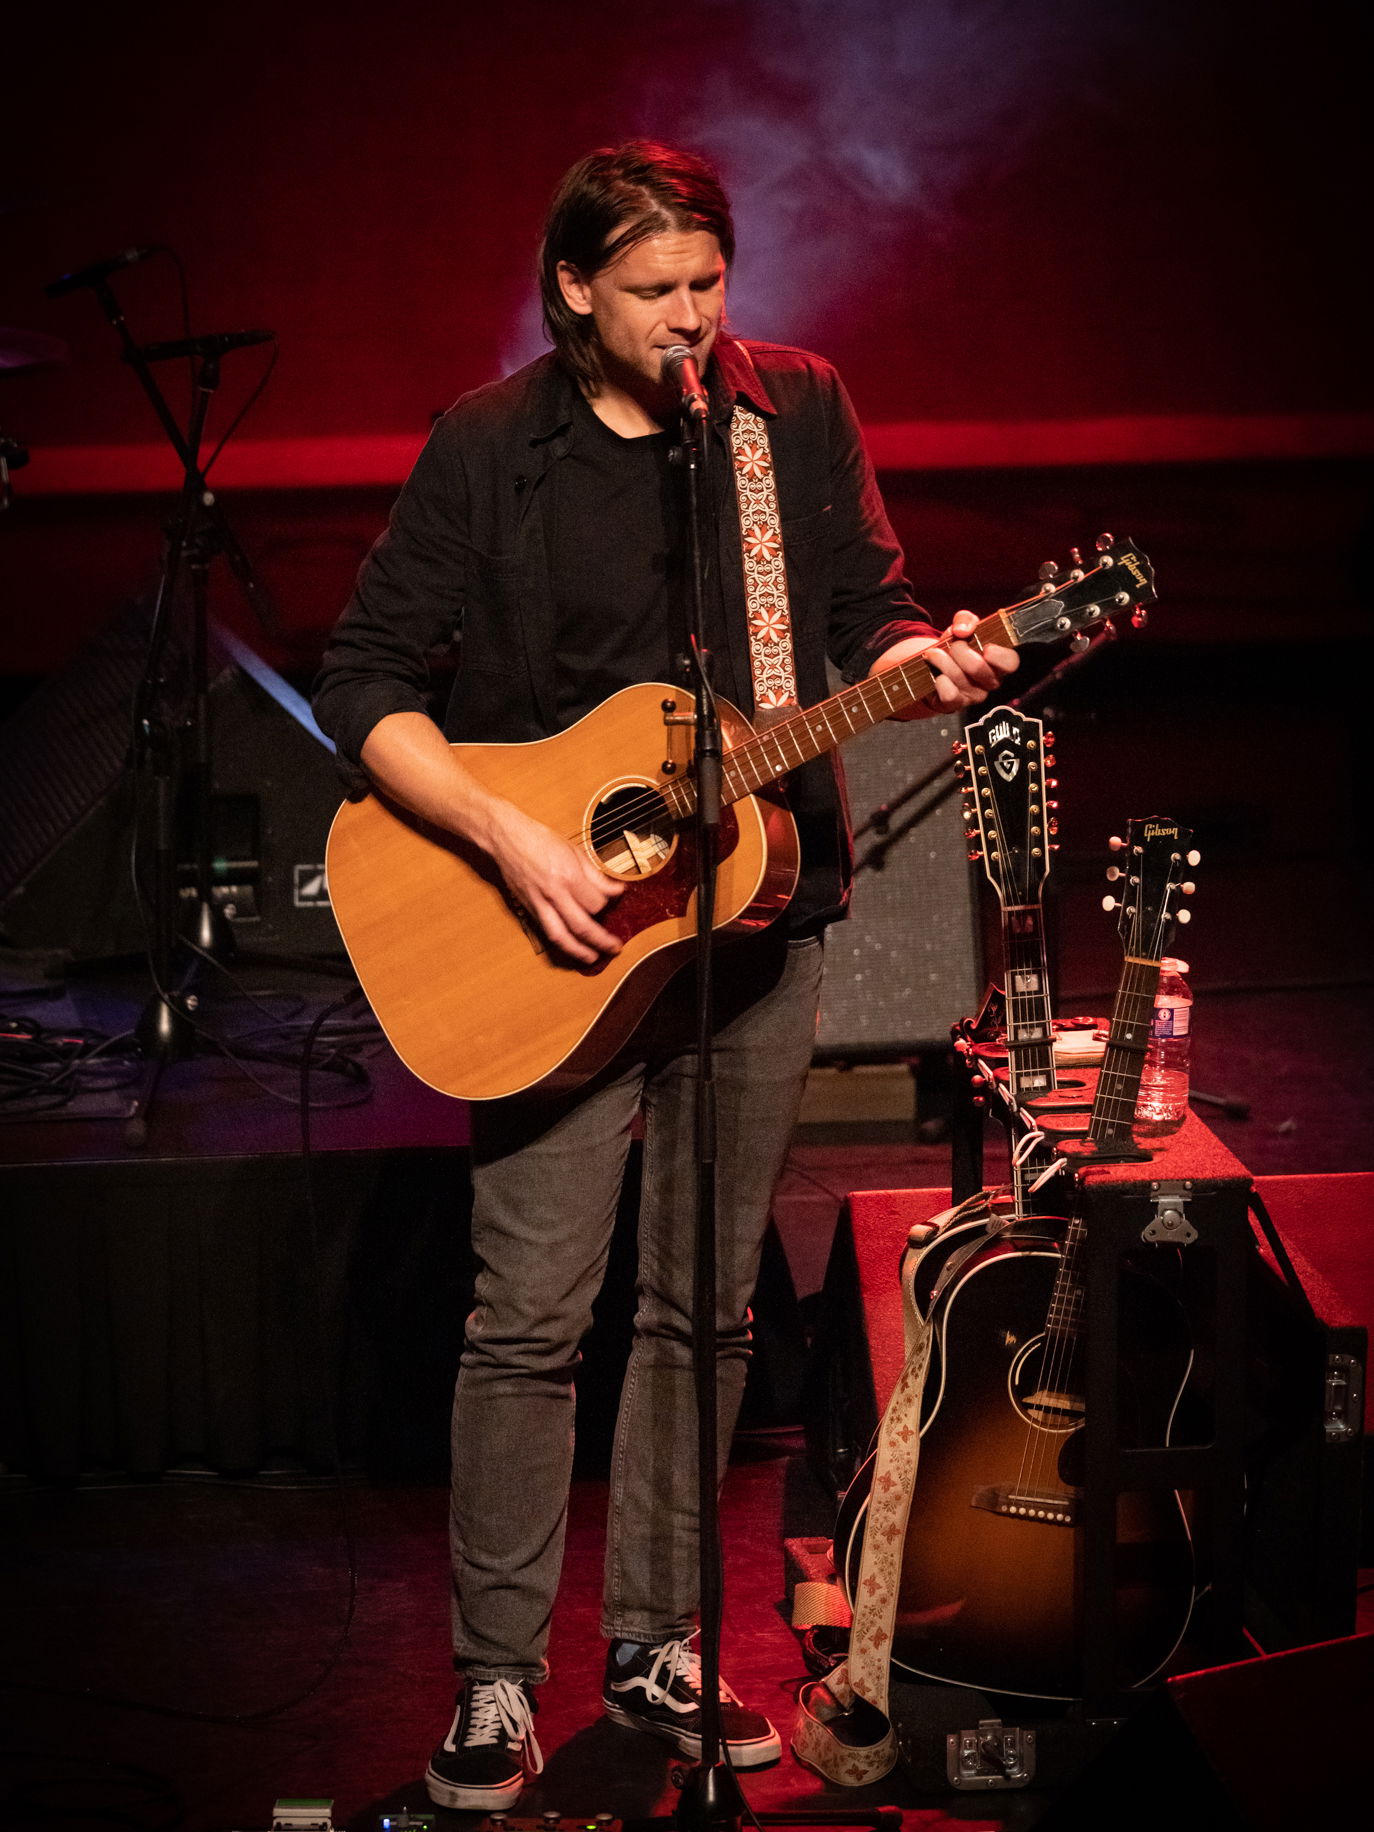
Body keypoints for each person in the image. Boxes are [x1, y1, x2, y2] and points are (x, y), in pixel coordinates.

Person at [312, 140, 1017, 1812]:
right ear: (571, 291)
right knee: (527, 1319)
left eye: (709, 286)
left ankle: (654, 1644)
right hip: (549, 941)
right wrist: (509, 837)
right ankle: (495, 1683)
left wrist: (923, 669)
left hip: (751, 931)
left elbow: (864, 619)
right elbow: (360, 679)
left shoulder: (791, 421)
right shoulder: (488, 448)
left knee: (700, 1310)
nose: (691, 322)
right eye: (650, 294)